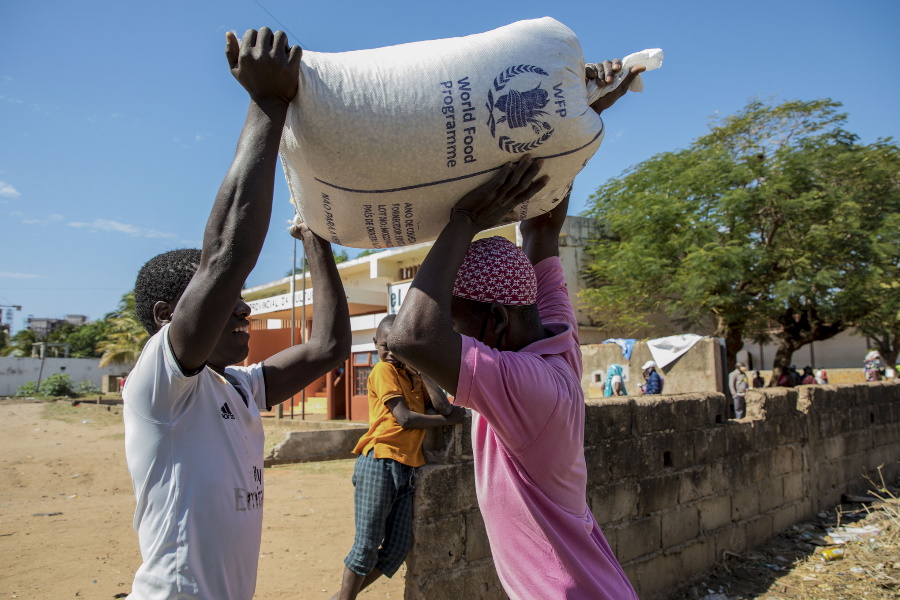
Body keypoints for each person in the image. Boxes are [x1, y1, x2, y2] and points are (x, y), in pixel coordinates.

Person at [123, 29, 351, 600]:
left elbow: (328, 347)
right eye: (227, 300)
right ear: (166, 316)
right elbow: (225, 257)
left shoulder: (240, 390)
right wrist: (267, 103)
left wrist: (316, 236)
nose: (243, 307)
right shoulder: (164, 387)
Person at [334, 315, 465, 600]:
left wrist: (422, 370)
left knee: (396, 549)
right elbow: (404, 418)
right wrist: (444, 421)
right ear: (375, 345)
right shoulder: (383, 371)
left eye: (399, 348)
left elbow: (444, 406)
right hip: (379, 461)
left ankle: (340, 597)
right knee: (366, 546)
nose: (392, 353)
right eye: (385, 346)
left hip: (408, 466)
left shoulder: (413, 376)